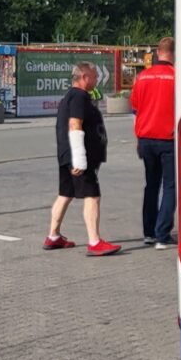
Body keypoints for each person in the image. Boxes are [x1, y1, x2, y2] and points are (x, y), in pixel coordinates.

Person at [44, 63, 121, 256]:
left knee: (65, 193)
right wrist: (79, 159)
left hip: (66, 155)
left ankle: (53, 236)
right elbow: (75, 123)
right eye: (94, 77)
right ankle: (94, 241)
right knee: (92, 196)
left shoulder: (69, 96)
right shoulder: (79, 96)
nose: (97, 80)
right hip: (78, 157)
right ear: (84, 77)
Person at [130, 37, 176, 247]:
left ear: (158, 52)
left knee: (151, 185)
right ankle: (162, 234)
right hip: (168, 138)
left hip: (146, 138)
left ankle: (148, 231)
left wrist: (138, 138)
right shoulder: (177, 77)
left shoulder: (142, 77)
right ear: (174, 54)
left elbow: (135, 109)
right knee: (170, 186)